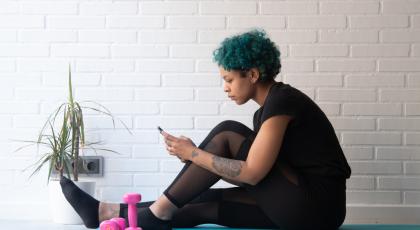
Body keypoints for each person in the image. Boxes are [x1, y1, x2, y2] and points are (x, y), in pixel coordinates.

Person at [60, 28, 351, 230]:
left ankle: (157, 214)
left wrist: (197, 154)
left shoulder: (282, 101)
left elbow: (252, 173)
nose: (225, 88)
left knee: (227, 132)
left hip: (315, 206)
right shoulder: (267, 109)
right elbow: (254, 176)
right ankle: (105, 212)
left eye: (229, 79)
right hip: (304, 208)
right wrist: (194, 158)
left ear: (252, 74)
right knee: (201, 202)